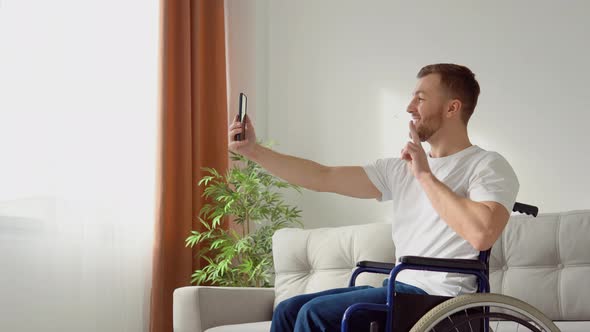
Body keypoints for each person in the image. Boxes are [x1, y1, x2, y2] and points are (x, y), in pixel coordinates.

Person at [227, 63, 519, 332]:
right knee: (289, 310)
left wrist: (425, 176)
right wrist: (253, 151)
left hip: (442, 301)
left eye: (420, 98)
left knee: (314, 315)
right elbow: (322, 177)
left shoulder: (487, 165)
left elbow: (482, 234)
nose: (409, 107)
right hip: (401, 289)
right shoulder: (400, 168)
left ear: (452, 108)